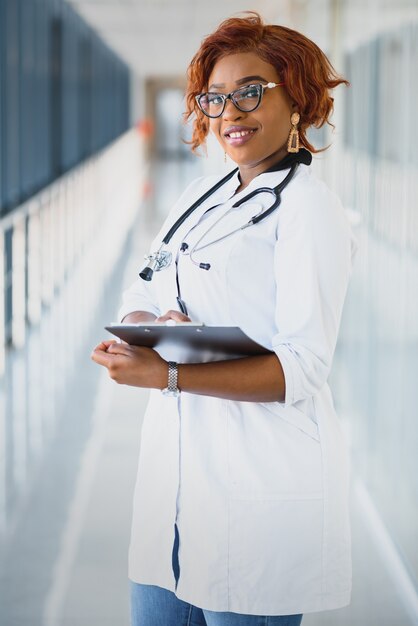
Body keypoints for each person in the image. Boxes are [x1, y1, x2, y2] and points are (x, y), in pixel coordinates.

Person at [91, 12, 359, 626]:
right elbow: (145, 282)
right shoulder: (201, 197)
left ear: (297, 99)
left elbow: (302, 370)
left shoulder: (309, 210)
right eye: (216, 97)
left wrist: (167, 374)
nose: (230, 112)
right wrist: (145, 323)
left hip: (259, 496)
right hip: (176, 491)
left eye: (250, 92)